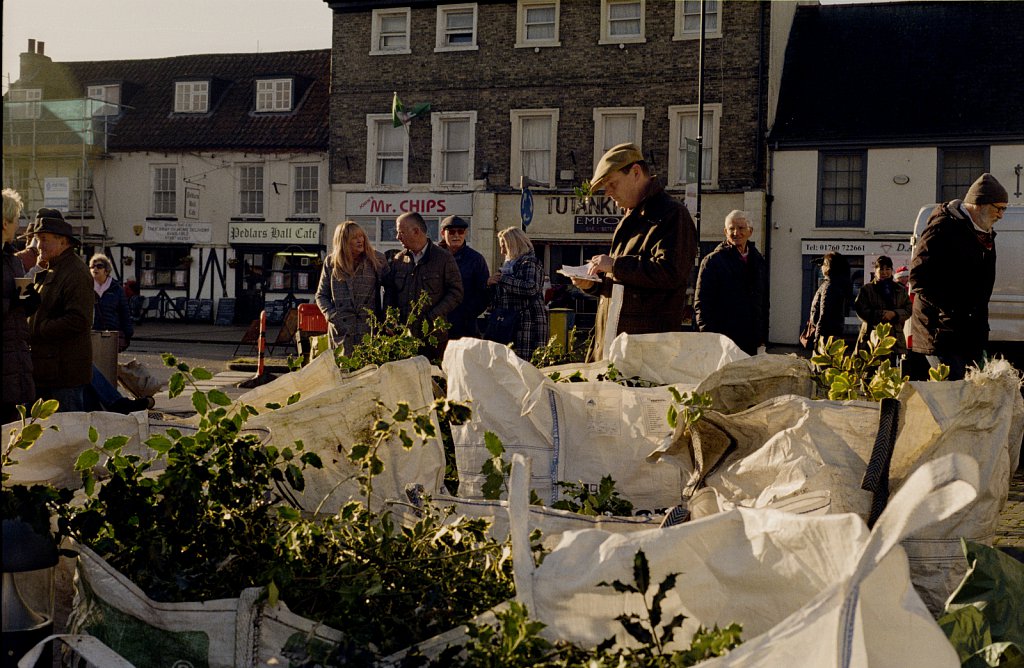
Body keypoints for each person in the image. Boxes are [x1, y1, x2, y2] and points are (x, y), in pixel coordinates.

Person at [570, 143, 697, 361]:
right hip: (617, 352)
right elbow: (626, 284)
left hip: (644, 359)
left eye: (612, 183)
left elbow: (671, 272)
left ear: (636, 172)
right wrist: (593, 284)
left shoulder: (672, 214)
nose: (608, 193)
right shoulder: (633, 217)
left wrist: (614, 265)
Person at [908, 172, 1007, 380]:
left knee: (970, 395)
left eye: (1004, 209)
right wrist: (952, 310)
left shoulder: (985, 233)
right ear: (979, 204)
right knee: (954, 394)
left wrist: (979, 328)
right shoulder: (942, 227)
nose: (1001, 215)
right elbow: (918, 277)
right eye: (998, 208)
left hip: (969, 333)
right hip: (940, 332)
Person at [25, 208, 94, 412]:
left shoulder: (76, 272)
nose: (39, 246)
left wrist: (40, 328)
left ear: (63, 241)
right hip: (47, 371)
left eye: (44, 239)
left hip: (64, 376)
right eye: (37, 239)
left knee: (68, 435)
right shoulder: (51, 268)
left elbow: (79, 319)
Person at [383, 211, 463, 358]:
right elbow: (390, 291)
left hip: (432, 338)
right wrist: (390, 318)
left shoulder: (444, 258)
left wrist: (432, 316)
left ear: (416, 231)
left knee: (432, 379)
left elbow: (456, 293)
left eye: (401, 232)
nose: (397, 237)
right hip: (403, 337)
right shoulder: (399, 260)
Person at [693, 210, 767, 355]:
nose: (736, 233)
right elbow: (702, 303)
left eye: (741, 228)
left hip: (751, 340)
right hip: (723, 341)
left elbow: (763, 302)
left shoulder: (758, 261)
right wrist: (710, 338)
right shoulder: (712, 261)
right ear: (725, 232)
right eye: (731, 229)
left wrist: (762, 338)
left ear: (750, 232)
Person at [315, 220, 388, 356]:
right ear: (343, 241)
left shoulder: (377, 259)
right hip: (341, 330)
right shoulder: (331, 262)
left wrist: (385, 318)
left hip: (368, 329)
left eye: (361, 236)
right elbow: (321, 295)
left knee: (368, 372)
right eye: (354, 237)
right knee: (341, 372)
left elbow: (391, 290)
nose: (360, 240)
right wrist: (332, 316)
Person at [487, 227, 549, 360]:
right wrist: (490, 284)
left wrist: (502, 279)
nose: (502, 251)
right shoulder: (508, 267)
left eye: (504, 246)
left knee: (526, 366)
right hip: (510, 323)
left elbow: (531, 288)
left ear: (514, 245)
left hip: (528, 322)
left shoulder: (530, 262)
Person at [2, 188, 35, 424]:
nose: (18, 226)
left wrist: (30, 300)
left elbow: (21, 308)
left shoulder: (12, 259)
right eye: (16, 221)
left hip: (15, 357)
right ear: (4, 223)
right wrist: (12, 301)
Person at [438, 215, 489, 339]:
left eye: (460, 231)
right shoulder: (434, 257)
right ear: (442, 234)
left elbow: (484, 293)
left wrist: (467, 314)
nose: (456, 235)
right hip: (436, 323)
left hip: (465, 327)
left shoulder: (475, 259)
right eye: (451, 232)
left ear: (465, 233)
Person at [854, 255, 911, 356]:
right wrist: (880, 314)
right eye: (881, 269)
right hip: (871, 337)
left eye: (887, 269)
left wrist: (895, 314)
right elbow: (860, 309)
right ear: (875, 271)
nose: (884, 272)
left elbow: (909, 309)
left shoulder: (900, 290)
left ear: (891, 270)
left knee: (893, 369)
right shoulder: (867, 289)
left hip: (895, 339)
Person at [90, 253, 134, 351]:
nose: (95, 269)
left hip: (111, 334)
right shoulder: (86, 287)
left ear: (106, 270)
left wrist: (127, 334)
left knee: (108, 363)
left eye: (99, 266)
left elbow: (124, 312)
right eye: (92, 266)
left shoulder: (117, 289)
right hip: (91, 334)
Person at [808, 251, 852, 349]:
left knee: (823, 363)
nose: (821, 267)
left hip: (826, 337)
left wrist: (817, 338)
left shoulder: (830, 286)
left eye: (824, 264)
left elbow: (824, 314)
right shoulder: (838, 283)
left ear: (829, 267)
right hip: (833, 334)